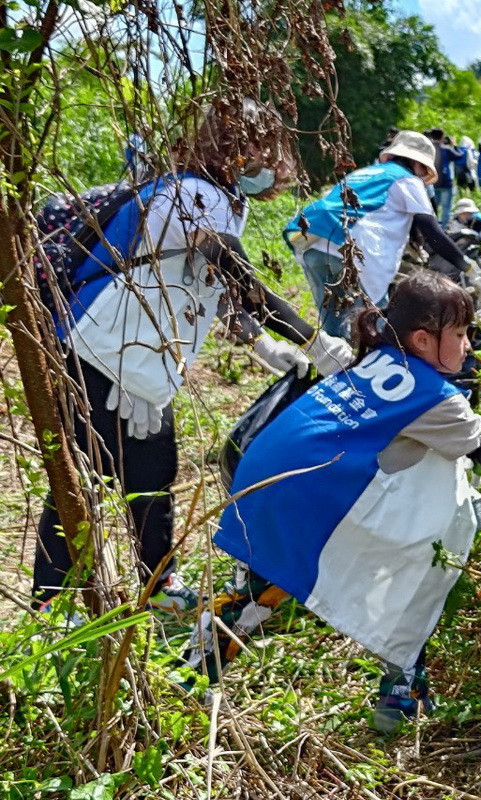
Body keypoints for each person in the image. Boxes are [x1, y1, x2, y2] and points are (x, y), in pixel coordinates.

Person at [186, 271, 481, 732]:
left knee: (266, 582)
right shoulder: (439, 400)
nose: (468, 348)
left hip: (261, 473)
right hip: (306, 496)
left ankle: (196, 664)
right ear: (423, 339)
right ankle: (402, 688)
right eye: (460, 335)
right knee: (425, 563)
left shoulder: (375, 356)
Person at [34, 98, 355, 613]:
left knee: (153, 474)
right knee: (84, 477)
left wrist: (259, 342)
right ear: (239, 148)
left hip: (142, 361)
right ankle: (51, 601)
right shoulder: (193, 195)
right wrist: (311, 339)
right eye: (265, 151)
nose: (271, 165)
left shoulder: (219, 199)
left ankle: (156, 584)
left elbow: (209, 290)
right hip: (100, 352)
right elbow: (235, 273)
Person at [285, 130, 476, 338]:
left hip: (313, 243)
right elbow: (432, 231)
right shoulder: (408, 180)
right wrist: (467, 266)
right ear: (418, 164)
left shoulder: (363, 173)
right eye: (423, 170)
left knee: (335, 330)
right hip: (351, 249)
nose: (422, 177)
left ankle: (334, 366)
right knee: (373, 326)